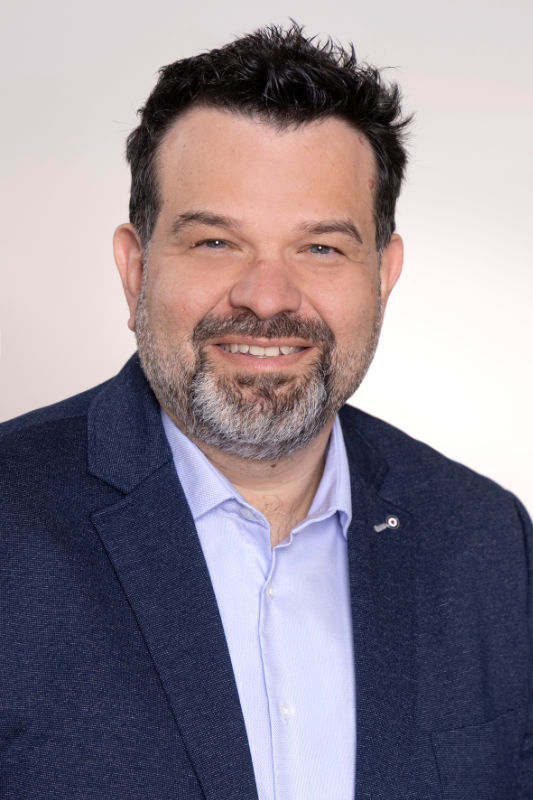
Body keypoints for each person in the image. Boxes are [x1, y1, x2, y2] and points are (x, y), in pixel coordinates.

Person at [1, 22, 531, 800]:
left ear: (382, 275)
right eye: (216, 242)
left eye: (320, 248)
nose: (267, 297)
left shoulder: (485, 540)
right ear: (135, 269)